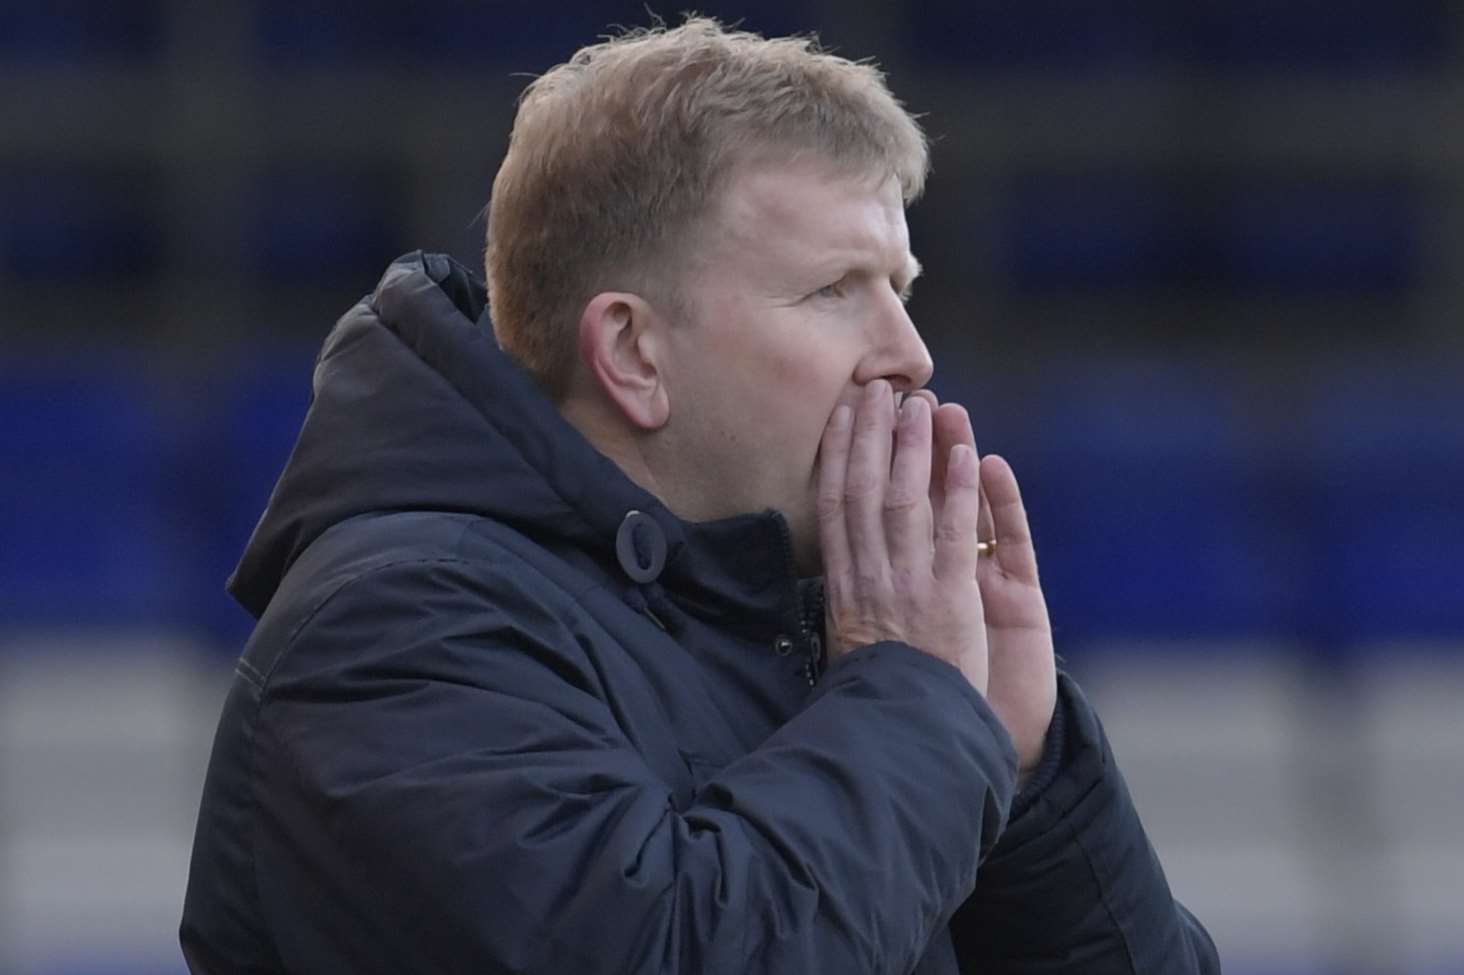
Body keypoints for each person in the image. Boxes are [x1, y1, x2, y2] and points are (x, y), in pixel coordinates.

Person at [181, 18, 1219, 974]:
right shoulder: (393, 634)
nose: (909, 353)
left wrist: (1027, 771)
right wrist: (915, 699)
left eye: (898, 290)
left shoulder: (820, 641)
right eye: (832, 291)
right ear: (633, 351)